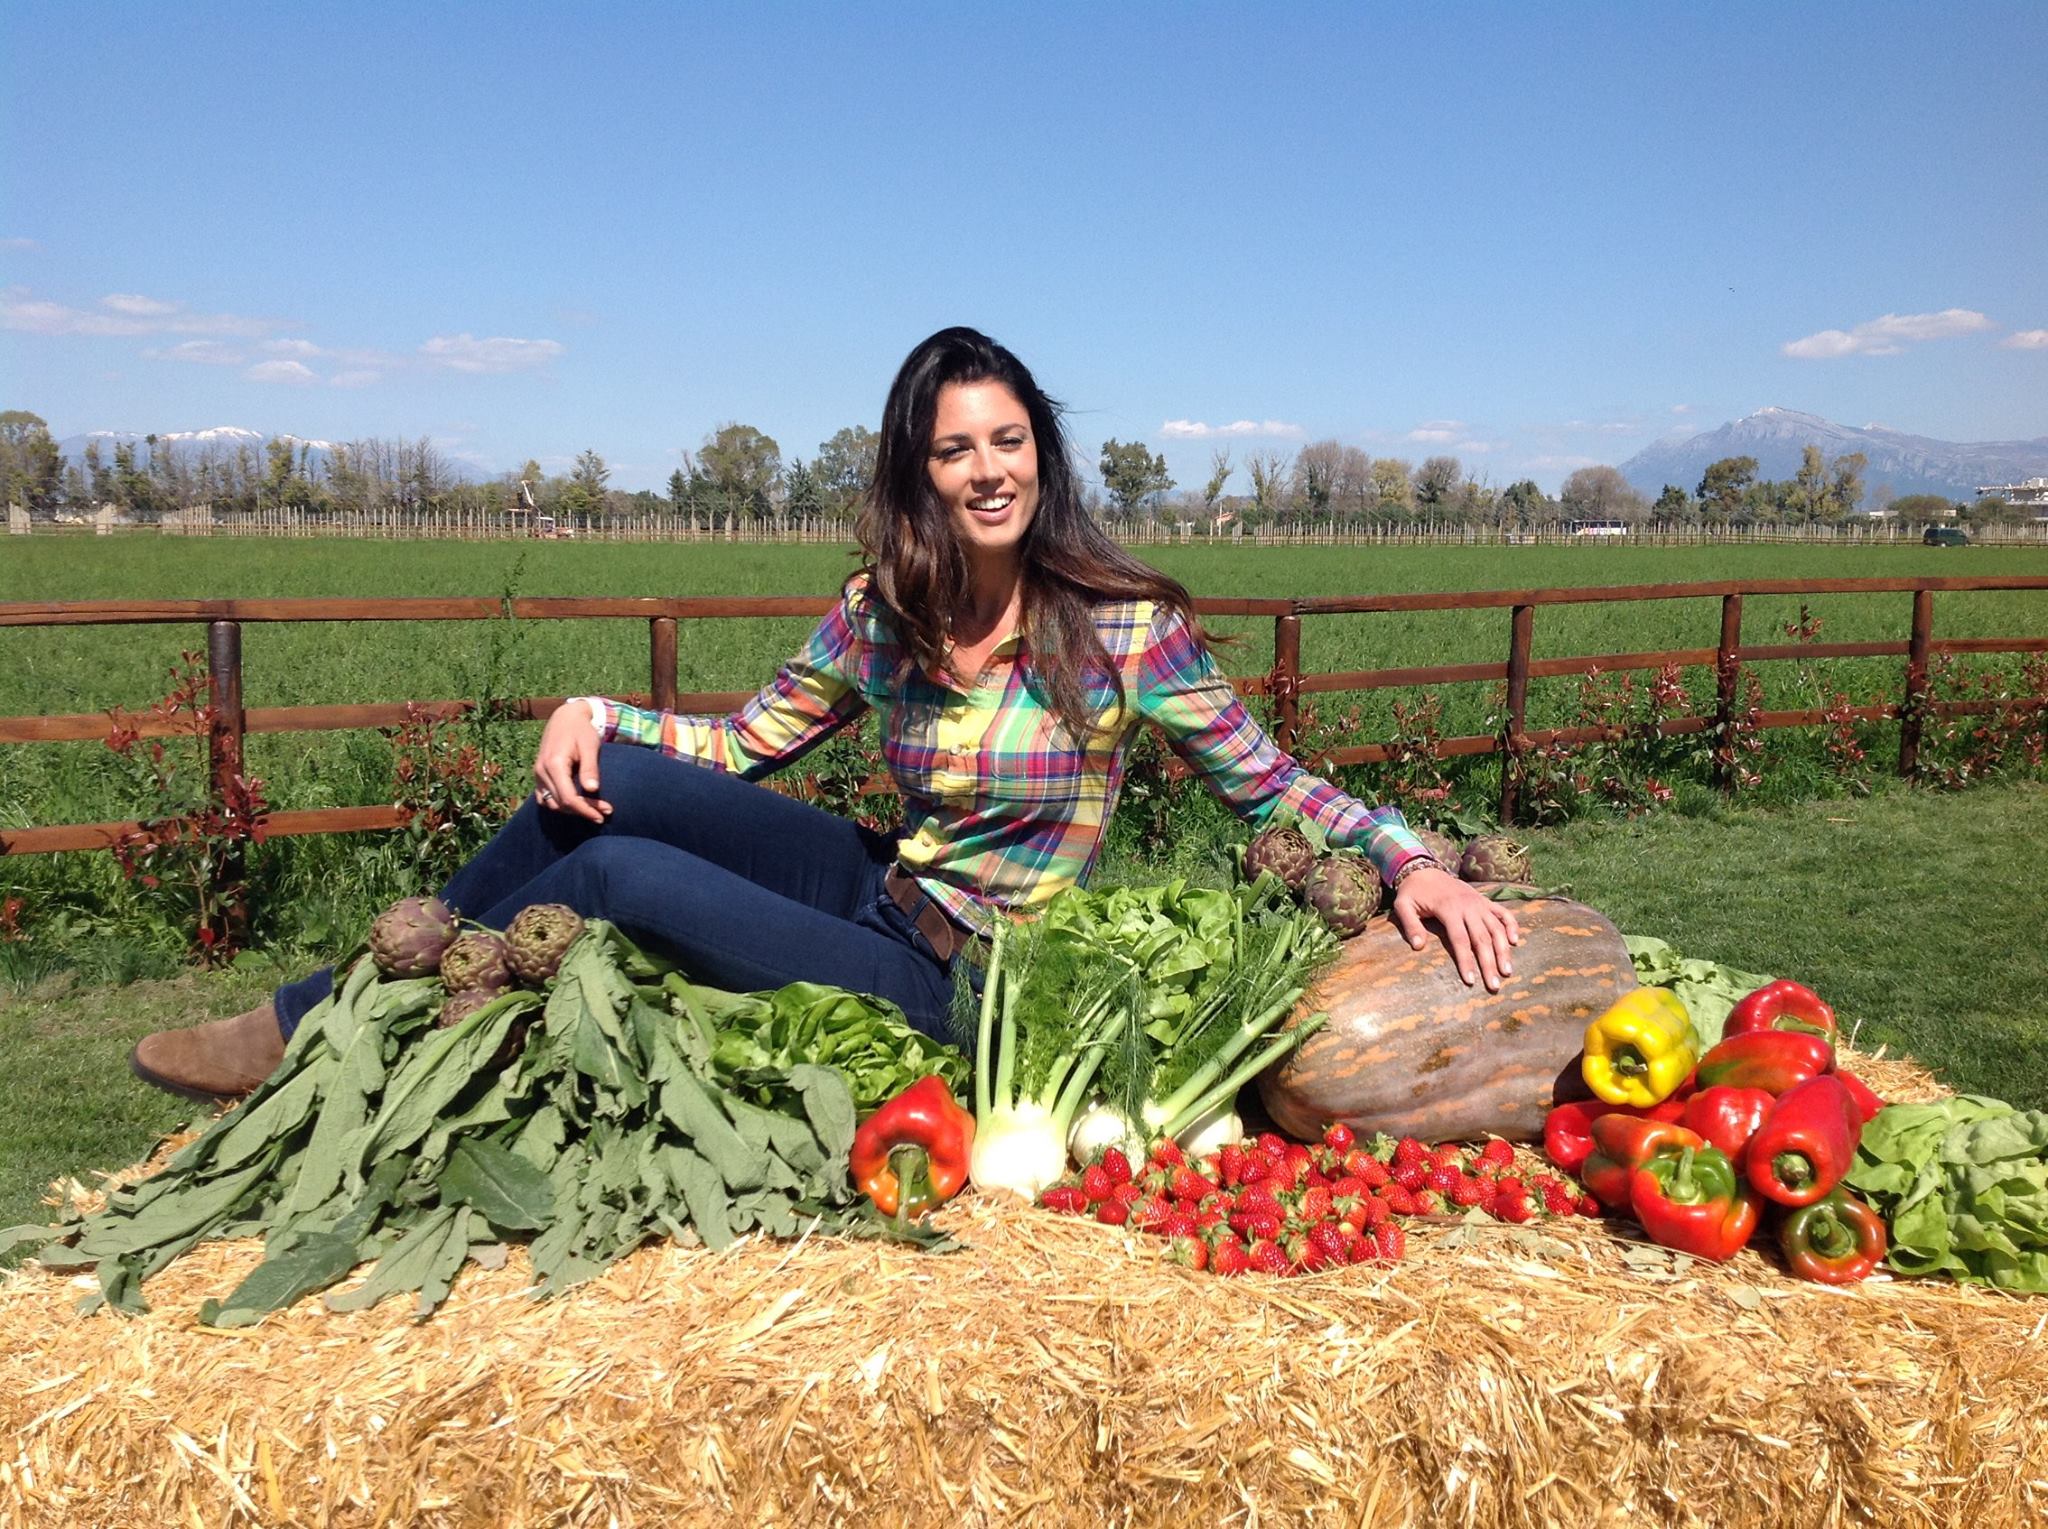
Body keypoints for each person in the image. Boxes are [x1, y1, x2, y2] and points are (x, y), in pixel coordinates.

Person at [130, 326, 1520, 1102]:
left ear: (1043, 450)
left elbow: (1272, 782)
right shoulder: (882, 603)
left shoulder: (1121, 627)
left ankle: (330, 1038)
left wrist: (1405, 857)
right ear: (921, 471)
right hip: (872, 884)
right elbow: (743, 746)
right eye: (956, 446)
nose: (989, 470)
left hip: (963, 977)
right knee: (605, 775)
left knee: (609, 869)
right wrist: (593, 703)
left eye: (1010, 440)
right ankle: (335, 1007)